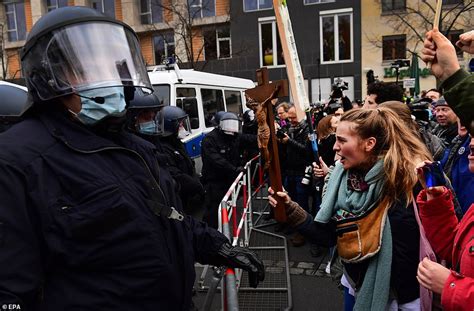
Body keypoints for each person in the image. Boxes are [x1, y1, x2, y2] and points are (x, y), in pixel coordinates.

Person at [0, 7, 264, 310]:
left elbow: (166, 220)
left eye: (113, 67)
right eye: (88, 69)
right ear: (48, 77)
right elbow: (10, 288)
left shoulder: (133, 147)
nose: (110, 79)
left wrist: (218, 245)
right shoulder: (16, 161)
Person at [269, 107, 432, 310]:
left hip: (404, 299)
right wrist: (291, 209)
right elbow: (330, 236)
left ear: (369, 144)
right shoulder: (343, 179)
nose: (335, 148)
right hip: (356, 285)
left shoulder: (410, 183)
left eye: (342, 140)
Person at [201, 112, 252, 229]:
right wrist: (234, 169)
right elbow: (217, 160)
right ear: (219, 125)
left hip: (228, 179)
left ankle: (221, 230)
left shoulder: (234, 136)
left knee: (225, 206)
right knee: (213, 209)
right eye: (228, 125)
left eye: (233, 125)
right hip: (214, 181)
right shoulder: (209, 140)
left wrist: (263, 136)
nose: (231, 129)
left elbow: (249, 139)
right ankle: (209, 233)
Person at [279, 105, 312, 246]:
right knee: (289, 200)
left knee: (302, 203)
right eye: (289, 117)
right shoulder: (289, 128)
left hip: (301, 171)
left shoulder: (308, 129)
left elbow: (307, 150)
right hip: (289, 171)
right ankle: (293, 225)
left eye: (293, 117)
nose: (291, 120)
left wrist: (289, 142)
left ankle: (303, 232)